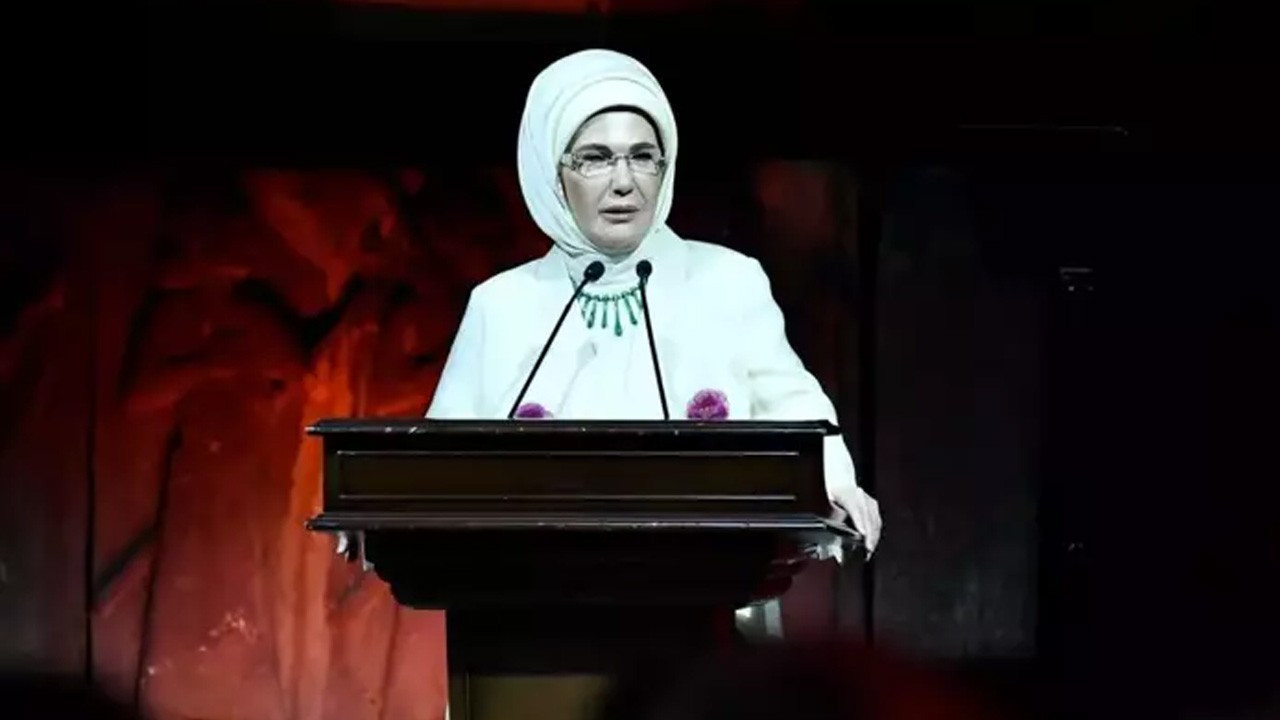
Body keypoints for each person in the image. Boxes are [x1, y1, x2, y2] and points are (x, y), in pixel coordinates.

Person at [427, 48, 880, 559]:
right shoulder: (500, 306)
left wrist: (835, 485)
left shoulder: (727, 282)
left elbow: (794, 408)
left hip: (710, 577)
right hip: (535, 583)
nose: (624, 182)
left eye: (642, 156)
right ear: (553, 174)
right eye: (595, 158)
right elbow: (435, 465)